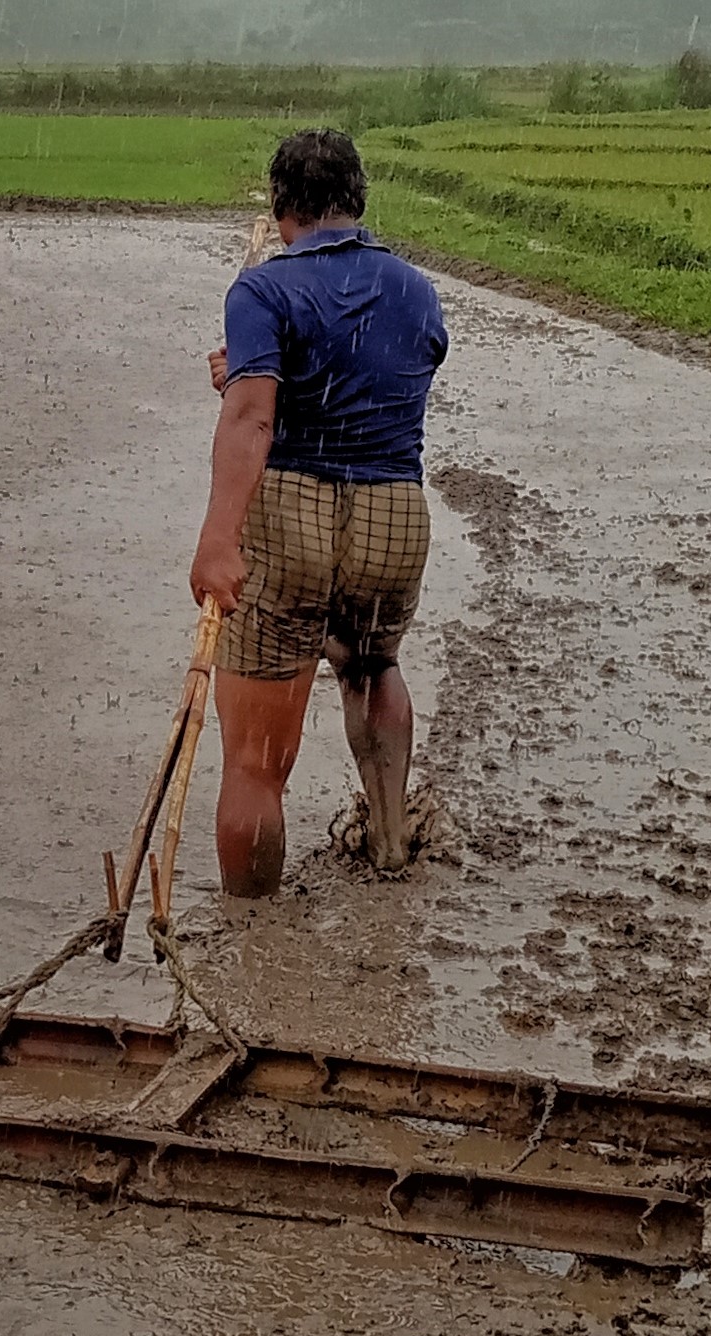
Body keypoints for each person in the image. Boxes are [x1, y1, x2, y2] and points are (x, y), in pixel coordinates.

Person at [189, 129, 450, 896]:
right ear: (357, 202)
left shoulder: (262, 289)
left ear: (278, 210)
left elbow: (251, 422)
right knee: (372, 666)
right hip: (393, 516)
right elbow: (385, 373)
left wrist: (216, 541)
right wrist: (252, 371)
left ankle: (248, 937)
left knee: (252, 764)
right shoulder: (415, 288)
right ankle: (391, 841)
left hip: (292, 511)